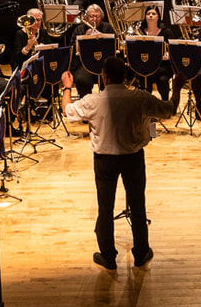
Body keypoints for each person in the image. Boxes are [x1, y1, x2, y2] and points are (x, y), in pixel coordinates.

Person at [59, 57, 174, 270]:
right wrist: (176, 88)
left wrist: (67, 87)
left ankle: (108, 256)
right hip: (133, 158)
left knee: (105, 208)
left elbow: (67, 111)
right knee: (138, 205)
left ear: (103, 77)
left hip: (105, 160)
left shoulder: (93, 100)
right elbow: (169, 110)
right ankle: (141, 253)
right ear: (126, 75)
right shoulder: (139, 98)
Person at [69, 4, 115, 97]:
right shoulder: (79, 29)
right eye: (91, 16)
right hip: (84, 64)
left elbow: (113, 45)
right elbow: (72, 49)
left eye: (97, 16)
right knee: (82, 80)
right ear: (86, 17)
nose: (94, 19)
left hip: (103, 63)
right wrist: (85, 38)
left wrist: (101, 37)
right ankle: (85, 103)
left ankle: (108, 102)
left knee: (110, 78)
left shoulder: (107, 28)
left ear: (101, 18)